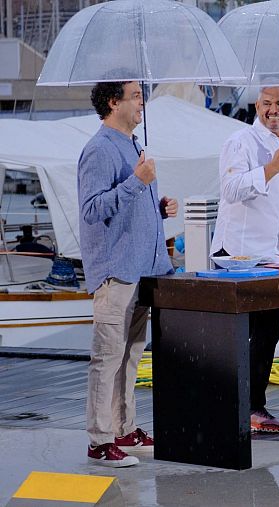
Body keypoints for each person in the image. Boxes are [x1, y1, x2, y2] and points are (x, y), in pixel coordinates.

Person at [79, 81, 176, 467]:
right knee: (106, 357)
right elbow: (90, 210)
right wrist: (138, 182)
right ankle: (99, 441)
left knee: (131, 356)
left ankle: (124, 430)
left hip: (142, 270)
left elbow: (129, 204)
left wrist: (159, 205)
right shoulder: (99, 149)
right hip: (116, 272)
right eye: (135, 96)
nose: (142, 102)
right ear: (112, 102)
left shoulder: (134, 145)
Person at [210, 86, 279, 433]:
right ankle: (238, 406)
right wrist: (271, 168)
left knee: (268, 333)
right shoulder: (240, 141)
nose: (272, 110)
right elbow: (231, 189)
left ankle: (254, 406)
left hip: (271, 254)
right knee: (244, 334)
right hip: (238, 253)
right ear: (256, 105)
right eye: (266, 103)